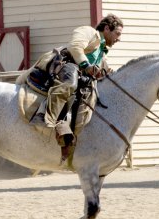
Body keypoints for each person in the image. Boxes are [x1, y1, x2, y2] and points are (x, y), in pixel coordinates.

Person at [30, 15, 123, 162]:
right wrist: (86, 66)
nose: (119, 38)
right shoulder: (88, 31)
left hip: (83, 75)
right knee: (69, 84)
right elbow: (75, 47)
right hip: (68, 64)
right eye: (117, 34)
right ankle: (43, 116)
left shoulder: (102, 51)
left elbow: (101, 69)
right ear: (106, 28)